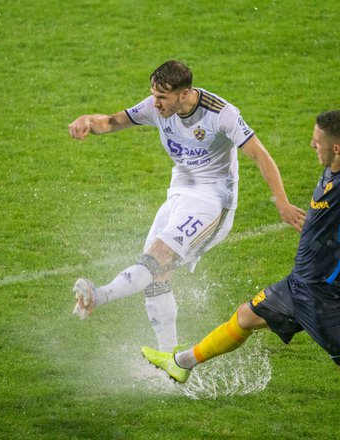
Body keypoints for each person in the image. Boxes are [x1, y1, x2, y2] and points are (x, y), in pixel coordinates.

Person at [142, 110, 340, 437]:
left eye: (317, 141)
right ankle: (181, 363)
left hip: (324, 297)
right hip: (299, 284)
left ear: (336, 148)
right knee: (244, 317)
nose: (312, 144)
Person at [68, 60, 306, 352]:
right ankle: (169, 361)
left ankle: (99, 294)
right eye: (153, 96)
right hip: (179, 195)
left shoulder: (221, 114)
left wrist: (281, 202)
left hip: (213, 202)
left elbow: (259, 155)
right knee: (155, 275)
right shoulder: (156, 106)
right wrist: (88, 121)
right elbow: (111, 122)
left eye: (162, 98)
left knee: (156, 257)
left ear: (184, 93)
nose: (155, 104)